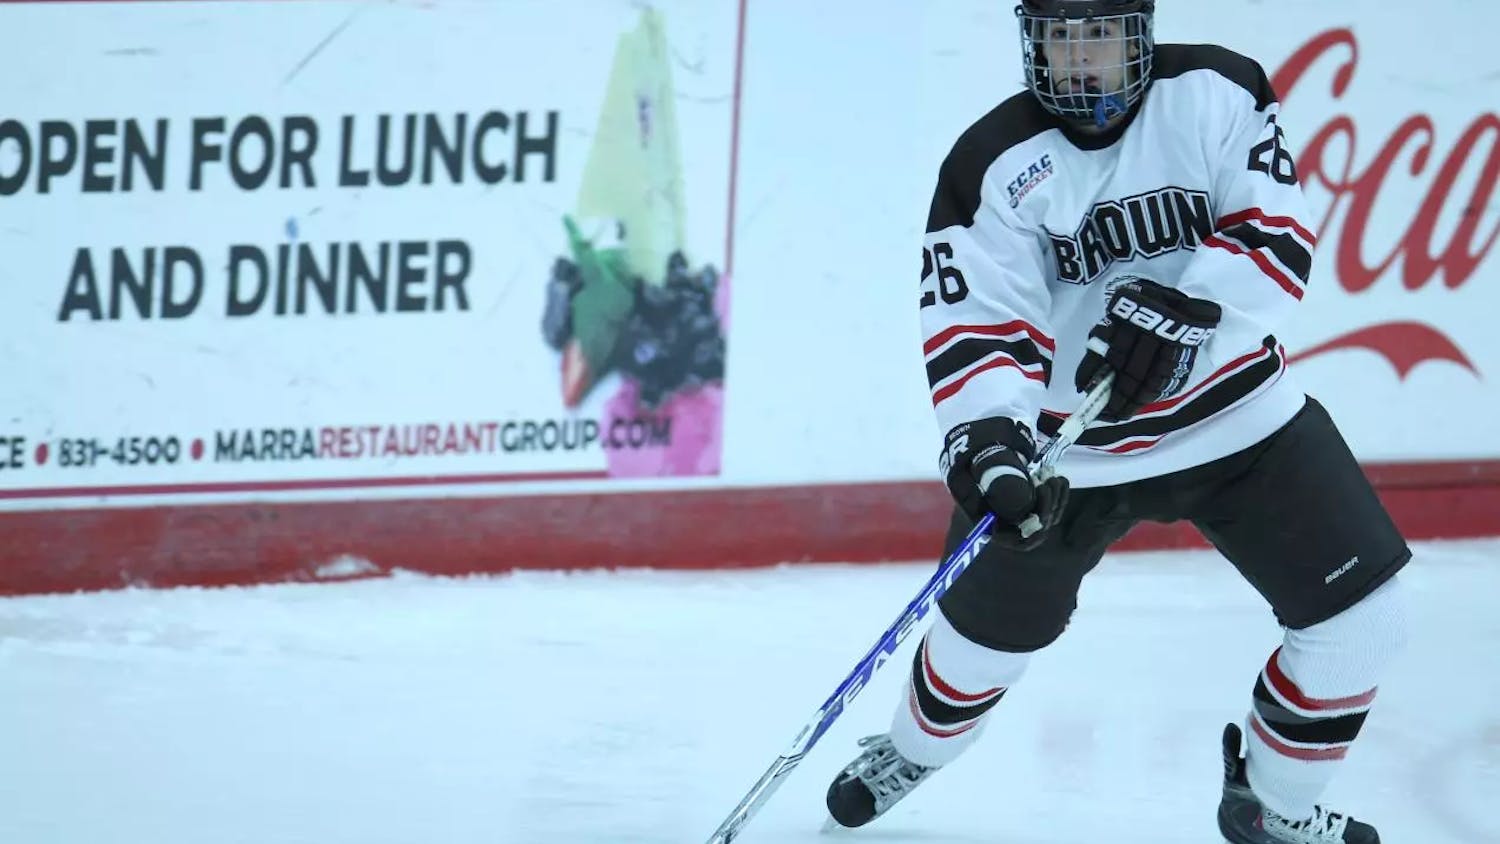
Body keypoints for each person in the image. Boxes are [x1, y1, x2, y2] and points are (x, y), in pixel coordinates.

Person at [823, 2, 1410, 842]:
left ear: (1140, 31)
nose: (1079, 61)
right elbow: (980, 325)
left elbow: (1277, 233)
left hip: (1241, 419)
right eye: (1059, 41)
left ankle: (1273, 807)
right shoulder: (992, 163)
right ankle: (913, 748)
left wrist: (1189, 310)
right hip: (1076, 458)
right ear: (1031, 44)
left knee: (1366, 617)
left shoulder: (1217, 90)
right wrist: (992, 441)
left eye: (1098, 35)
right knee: (976, 650)